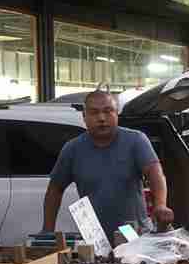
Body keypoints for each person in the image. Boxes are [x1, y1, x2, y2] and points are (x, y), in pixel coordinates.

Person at [42, 90, 174, 241]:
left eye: (108, 111)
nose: (102, 118)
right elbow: (55, 189)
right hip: (94, 236)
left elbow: (154, 172)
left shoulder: (136, 140)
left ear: (116, 114)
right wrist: (47, 230)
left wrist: (161, 205)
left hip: (131, 232)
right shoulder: (73, 149)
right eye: (94, 112)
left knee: (133, 261)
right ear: (84, 117)